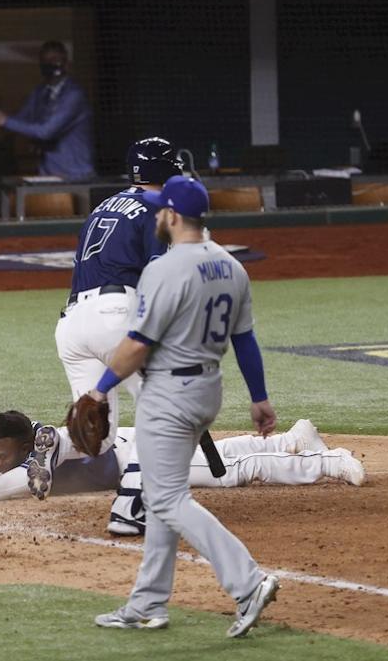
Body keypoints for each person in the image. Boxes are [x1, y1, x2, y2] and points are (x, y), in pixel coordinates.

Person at [81, 175, 279, 637]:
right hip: (207, 390)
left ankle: (248, 582)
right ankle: (147, 604)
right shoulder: (232, 266)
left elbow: (137, 345)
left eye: (158, 211)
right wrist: (260, 397)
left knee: (168, 498)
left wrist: (99, 390)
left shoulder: (165, 269)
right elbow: (244, 339)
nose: (155, 217)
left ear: (170, 215)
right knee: (159, 491)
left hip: (169, 395)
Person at [0, 412, 364, 524]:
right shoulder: (8, 446)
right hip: (127, 451)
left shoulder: (39, 450)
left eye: (0, 452)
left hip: (138, 456)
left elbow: (16, 484)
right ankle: (294, 440)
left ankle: (328, 461)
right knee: (213, 456)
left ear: (20, 443)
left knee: (228, 472)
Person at [55, 137, 183, 532]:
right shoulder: (159, 206)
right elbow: (160, 276)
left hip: (72, 325)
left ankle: (43, 447)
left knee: (100, 435)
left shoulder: (103, 205)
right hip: (115, 315)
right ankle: (132, 507)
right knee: (165, 406)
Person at [0, 41, 94, 182]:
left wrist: (6, 121)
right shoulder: (40, 93)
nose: (51, 64)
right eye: (46, 61)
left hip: (76, 175)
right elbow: (22, 120)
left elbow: (46, 131)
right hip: (50, 175)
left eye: (55, 60)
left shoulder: (74, 95)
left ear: (66, 62)